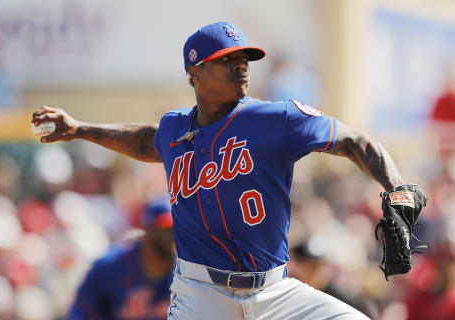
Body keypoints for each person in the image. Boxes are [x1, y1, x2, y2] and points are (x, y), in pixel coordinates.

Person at [32, 22, 424, 319]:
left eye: (244, 60)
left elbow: (355, 141)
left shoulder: (277, 118)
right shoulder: (175, 129)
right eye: (227, 60)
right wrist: (80, 129)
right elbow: (146, 139)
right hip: (201, 294)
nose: (241, 67)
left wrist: (397, 185)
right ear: (195, 73)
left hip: (276, 292)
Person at [67, 195, 175, 320]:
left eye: (175, 230)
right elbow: (79, 312)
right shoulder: (109, 267)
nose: (171, 238)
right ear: (146, 231)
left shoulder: (186, 267)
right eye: (166, 231)